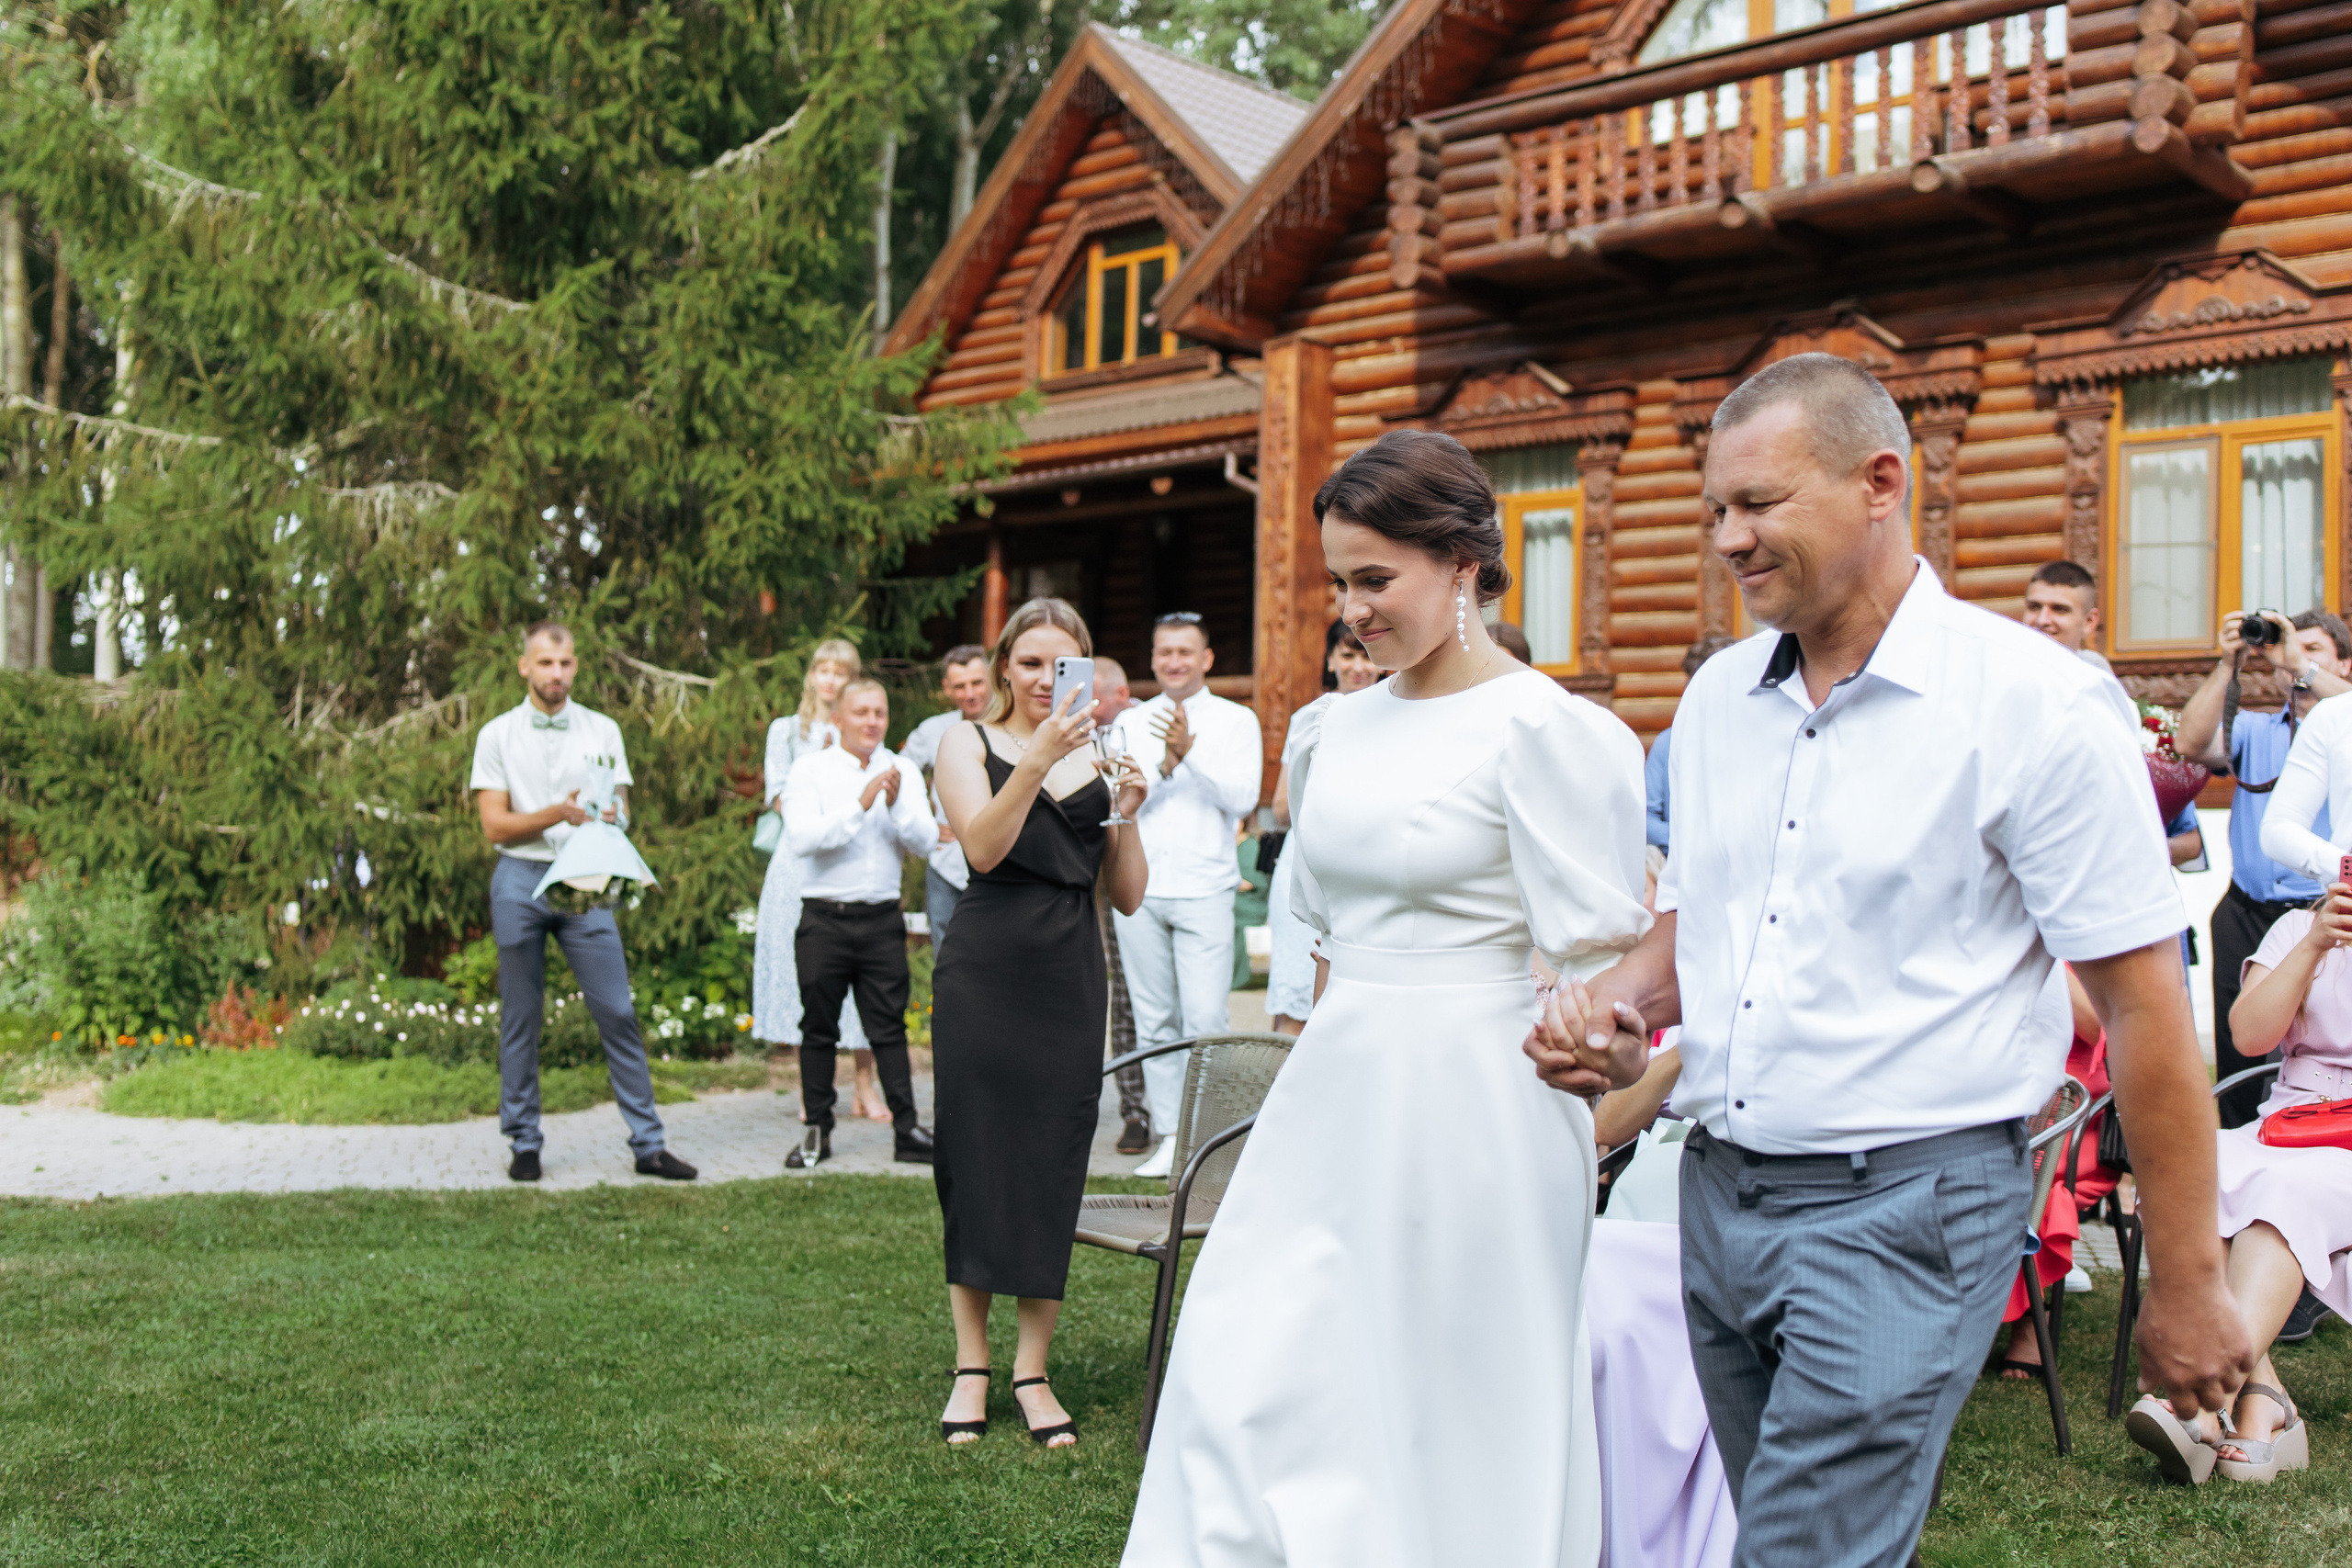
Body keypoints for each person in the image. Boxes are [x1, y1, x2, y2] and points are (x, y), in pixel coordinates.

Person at [1528, 353, 2248, 1567]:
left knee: (1802, 1551)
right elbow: (1704, 933)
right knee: (1809, 1536)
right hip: (1720, 1196)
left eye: (1758, 503)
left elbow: (2145, 1006)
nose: (1727, 539)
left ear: (1880, 482)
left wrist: (2185, 1277)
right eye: (1715, 508)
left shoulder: (2033, 700)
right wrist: (1614, 1004)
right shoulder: (1713, 703)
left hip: (1908, 1207)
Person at [1125, 429, 1650, 1565]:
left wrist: (1605, 1046)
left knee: (1450, 1397)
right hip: (1338, 1083)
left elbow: (1608, 978)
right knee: (1247, 1358)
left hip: (1483, 1106)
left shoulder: (1554, 735)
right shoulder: (1328, 732)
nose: (1353, 611)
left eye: (1376, 580)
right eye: (1339, 582)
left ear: (1463, 564)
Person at [931, 598, 1148, 1450]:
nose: (1041, 678)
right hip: (987, 967)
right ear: (1002, 668)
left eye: (1062, 664)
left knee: (1052, 1157)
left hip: (1069, 969)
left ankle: (1033, 1366)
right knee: (977, 1155)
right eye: (1028, 662)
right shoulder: (966, 741)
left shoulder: (1101, 754)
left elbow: (1127, 894)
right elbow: (981, 848)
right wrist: (1038, 759)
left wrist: (1126, 808)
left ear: (1086, 672)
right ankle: (971, 1364)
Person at [469, 622, 697, 1183]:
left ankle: (649, 1145)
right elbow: (495, 824)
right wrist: (555, 813)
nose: (557, 673)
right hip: (520, 881)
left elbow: (619, 804)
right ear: (525, 666)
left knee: (617, 1010)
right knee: (522, 1015)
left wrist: (617, 815)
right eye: (546, 663)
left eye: (566, 663)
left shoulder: (603, 730)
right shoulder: (497, 735)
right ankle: (524, 1141)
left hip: (587, 878)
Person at [2141, 885, 2352, 1483]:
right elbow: (2249, 1037)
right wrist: (2316, 942)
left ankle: (2204, 1404)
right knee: (2192, 1171)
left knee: (2283, 1192)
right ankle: (2263, 1401)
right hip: (2287, 1124)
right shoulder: (2295, 929)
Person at [2178, 608, 2352, 1127]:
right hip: (2255, 912)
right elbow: (2190, 743)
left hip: (2320, 904)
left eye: (2313, 648)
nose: (2292, 655)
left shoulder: (2335, 711)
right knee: (2247, 1059)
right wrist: (2228, 665)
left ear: (2343, 664)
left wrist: (2300, 664)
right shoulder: (2255, 727)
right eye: (2288, 646)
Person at [1111, 613, 1264, 1179]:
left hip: (1205, 885)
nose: (1173, 661)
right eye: (1164, 652)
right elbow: (1118, 799)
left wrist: (1188, 756)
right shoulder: (1130, 722)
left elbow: (1243, 796)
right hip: (1143, 885)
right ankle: (1169, 1136)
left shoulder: (1235, 720)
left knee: (1205, 1017)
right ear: (1152, 660)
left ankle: (1211, 1140)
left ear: (1206, 660)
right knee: (1153, 1020)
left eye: (1184, 652)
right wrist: (1165, 766)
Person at [779, 678, 939, 1170]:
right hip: (824, 918)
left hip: (880, 919)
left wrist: (894, 807)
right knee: (819, 1027)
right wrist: (861, 803)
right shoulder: (811, 770)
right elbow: (803, 839)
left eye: (880, 713)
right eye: (862, 712)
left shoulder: (903, 770)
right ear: (840, 719)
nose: (872, 722)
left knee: (888, 1027)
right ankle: (817, 1132)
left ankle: (907, 1128)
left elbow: (927, 840)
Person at [753, 639, 889, 1122]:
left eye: (841, 671)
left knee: (864, 976)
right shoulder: (788, 732)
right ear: (812, 675)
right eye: (822, 670)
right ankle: (814, 1090)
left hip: (857, 857)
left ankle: (866, 1083)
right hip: (801, 860)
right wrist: (823, 821)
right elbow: (779, 795)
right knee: (810, 973)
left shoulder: (867, 729)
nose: (830, 680)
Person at [1263, 620, 1379, 1034]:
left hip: (1367, 863)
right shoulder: (1310, 717)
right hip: (1306, 862)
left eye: (1364, 654)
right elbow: (1280, 809)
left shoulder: (1395, 713)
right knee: (1296, 987)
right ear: (1330, 660)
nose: (1358, 666)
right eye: (1347, 655)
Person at [1092, 655, 1151, 1154]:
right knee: (1114, 992)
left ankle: (1170, 1111)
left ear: (1120, 694)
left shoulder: (1139, 728)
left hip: (1156, 875)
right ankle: (1133, 1107)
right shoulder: (1071, 737)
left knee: (1149, 1000)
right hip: (1097, 874)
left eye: (1095, 695)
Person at [899, 644, 991, 949]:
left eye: (976, 683)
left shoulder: (1011, 724)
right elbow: (900, 774)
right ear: (947, 689)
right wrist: (925, 822)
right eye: (960, 686)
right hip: (946, 865)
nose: (970, 693)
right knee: (948, 957)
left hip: (1001, 860)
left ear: (991, 678)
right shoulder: (933, 731)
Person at [1645, 636, 1736, 852]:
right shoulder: (1668, 742)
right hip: (1678, 866)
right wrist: (1690, 844)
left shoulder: (1758, 739)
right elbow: (1645, 819)